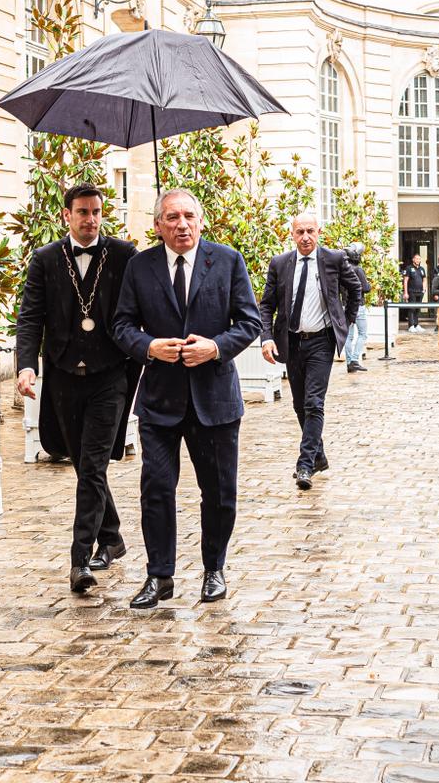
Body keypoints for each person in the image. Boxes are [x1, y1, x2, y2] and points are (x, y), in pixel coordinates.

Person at [112, 189, 261, 608]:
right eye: (172, 217)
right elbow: (122, 325)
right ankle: (159, 576)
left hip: (214, 400)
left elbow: (249, 321)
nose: (182, 225)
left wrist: (215, 347)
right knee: (156, 489)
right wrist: (148, 347)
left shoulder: (227, 261)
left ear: (201, 220)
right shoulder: (140, 267)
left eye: (189, 216)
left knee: (218, 492)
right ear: (158, 224)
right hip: (160, 399)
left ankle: (214, 568)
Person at [15, 184, 141, 595]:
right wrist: (25, 367)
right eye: (82, 212)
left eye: (97, 212)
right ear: (66, 215)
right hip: (65, 377)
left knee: (91, 465)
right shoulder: (46, 259)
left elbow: (141, 307)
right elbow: (31, 317)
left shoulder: (123, 256)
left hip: (110, 376)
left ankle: (78, 560)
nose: (90, 219)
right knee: (86, 465)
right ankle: (113, 537)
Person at [258, 212, 362, 491]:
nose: (305, 237)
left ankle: (304, 464)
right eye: (300, 232)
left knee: (314, 403)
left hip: (321, 342)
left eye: (310, 231)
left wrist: (345, 322)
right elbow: (266, 304)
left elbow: (356, 290)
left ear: (319, 232)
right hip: (291, 342)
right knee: (298, 404)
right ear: (292, 234)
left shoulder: (333, 260)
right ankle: (319, 456)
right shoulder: (280, 263)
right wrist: (266, 337)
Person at [343, 242, 373, 372]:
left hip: (345, 305)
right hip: (357, 305)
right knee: (362, 334)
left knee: (348, 336)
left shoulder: (342, 269)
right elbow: (365, 288)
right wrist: (370, 285)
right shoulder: (358, 270)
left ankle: (349, 362)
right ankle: (354, 360)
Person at [402, 253, 426, 332]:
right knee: (412, 308)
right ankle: (411, 325)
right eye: (416, 258)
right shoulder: (409, 268)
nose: (418, 260)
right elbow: (405, 280)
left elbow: (424, 280)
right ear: (413, 259)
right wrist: (405, 293)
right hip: (411, 291)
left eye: (419, 259)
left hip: (420, 292)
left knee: (417, 309)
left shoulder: (422, 269)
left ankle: (416, 324)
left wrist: (424, 289)